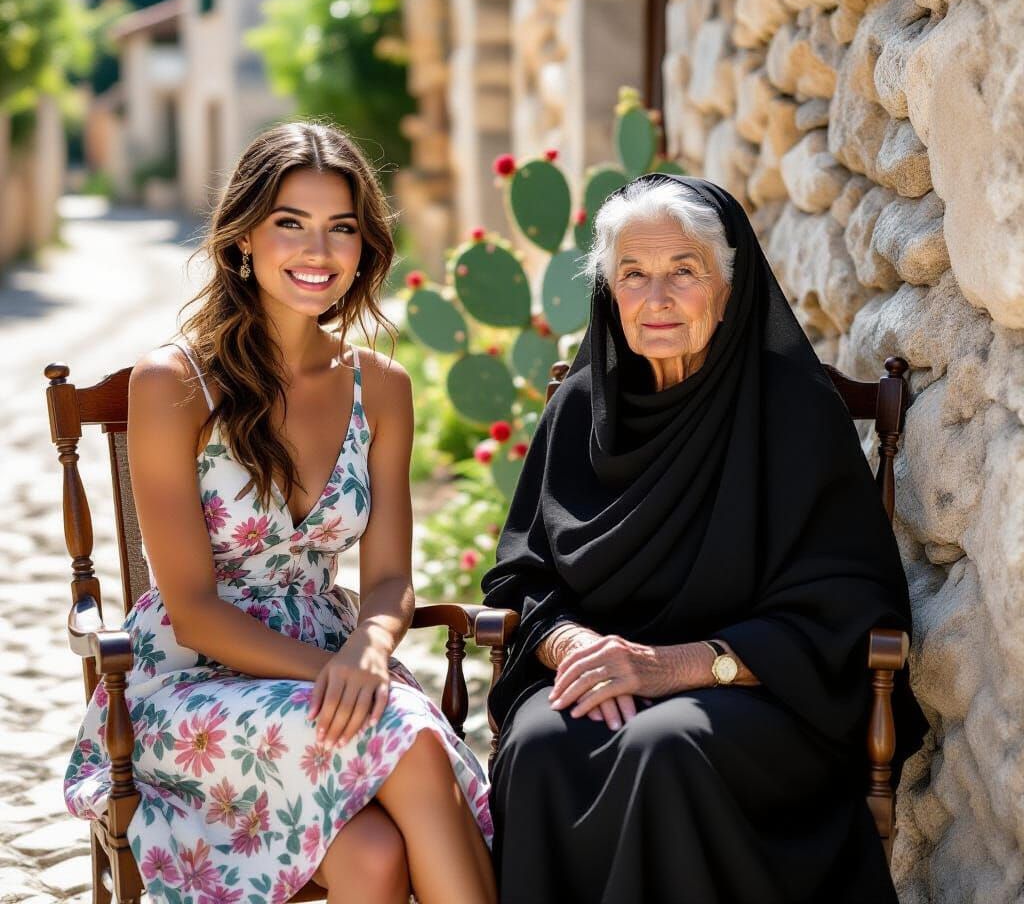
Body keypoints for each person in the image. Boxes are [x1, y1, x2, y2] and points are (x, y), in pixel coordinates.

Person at [65, 121, 496, 904]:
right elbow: (192, 611)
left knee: (372, 855)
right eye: (290, 224)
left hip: (334, 672)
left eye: (342, 228)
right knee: (409, 737)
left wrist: (368, 648)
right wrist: (340, 675)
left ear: (365, 246)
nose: (318, 251)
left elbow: (390, 576)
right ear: (243, 239)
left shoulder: (381, 387)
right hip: (191, 689)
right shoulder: (174, 383)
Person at [481, 174, 925, 904]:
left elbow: (847, 606)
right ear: (609, 292)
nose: (655, 298)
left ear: (726, 288)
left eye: (683, 272)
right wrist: (572, 646)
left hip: (755, 691)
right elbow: (524, 576)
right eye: (633, 274)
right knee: (540, 743)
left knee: (666, 747)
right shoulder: (580, 409)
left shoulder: (793, 410)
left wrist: (671, 667)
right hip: (601, 673)